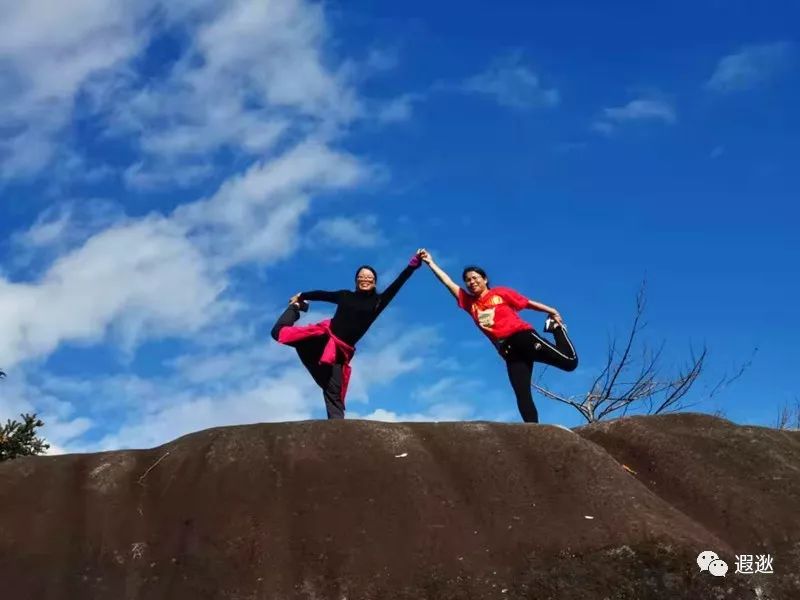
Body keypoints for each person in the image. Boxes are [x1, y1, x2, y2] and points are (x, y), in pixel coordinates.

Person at [418, 249, 577, 423]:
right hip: (509, 352)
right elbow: (447, 282)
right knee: (522, 393)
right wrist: (430, 262)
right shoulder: (469, 304)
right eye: (467, 280)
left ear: (485, 279)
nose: (471, 282)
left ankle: (555, 329)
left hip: (523, 338)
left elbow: (527, 303)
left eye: (475, 278)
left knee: (570, 362)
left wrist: (552, 311)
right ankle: (533, 432)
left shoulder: (500, 293)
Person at [271, 253, 423, 419]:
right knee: (278, 333)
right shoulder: (345, 295)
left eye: (369, 277)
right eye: (361, 276)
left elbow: (397, 284)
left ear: (375, 281)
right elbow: (323, 294)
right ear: (356, 280)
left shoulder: (378, 302)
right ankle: (296, 309)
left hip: (339, 353)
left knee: (334, 393)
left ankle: (338, 436)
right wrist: (302, 296)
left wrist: (412, 265)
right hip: (321, 338)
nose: (365, 279)